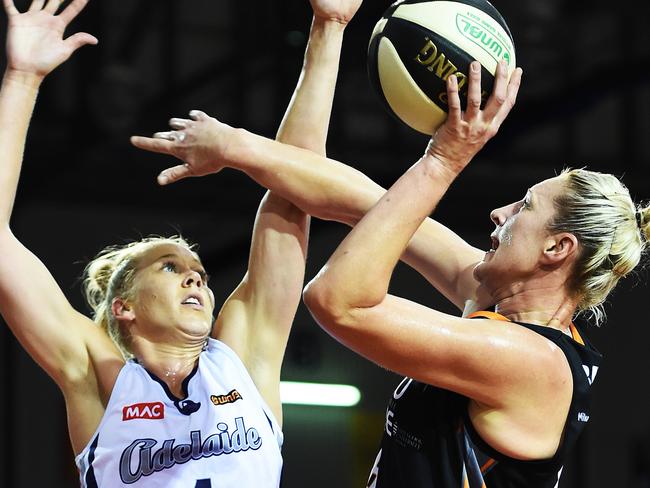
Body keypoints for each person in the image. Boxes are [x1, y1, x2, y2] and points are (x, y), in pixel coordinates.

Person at [133, 48, 650, 488]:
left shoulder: (527, 362)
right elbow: (362, 200)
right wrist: (236, 145)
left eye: (524, 209)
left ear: (556, 249)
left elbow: (338, 300)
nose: (500, 212)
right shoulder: (498, 304)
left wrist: (444, 161)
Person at [0, 0, 362, 486]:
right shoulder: (100, 373)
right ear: (124, 307)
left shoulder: (241, 356)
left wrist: (329, 26)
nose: (195, 275)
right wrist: (22, 78)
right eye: (169, 267)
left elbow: (293, 188)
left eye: (199, 272)